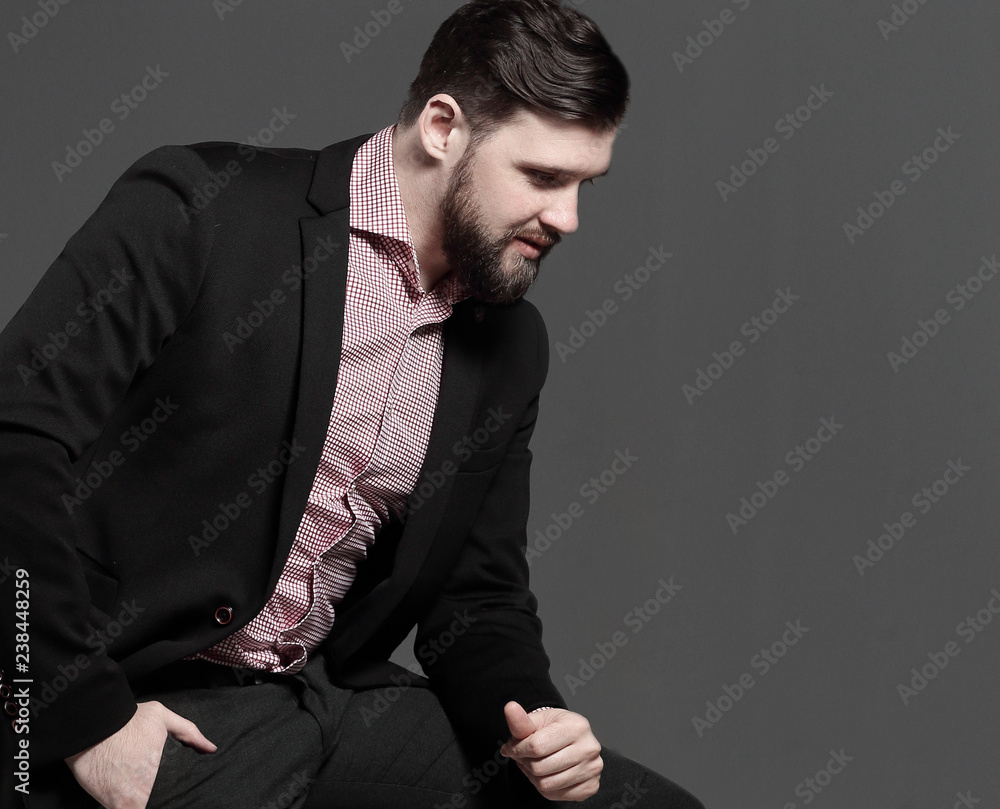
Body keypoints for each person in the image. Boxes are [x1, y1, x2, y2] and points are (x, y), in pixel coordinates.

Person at [0, 1, 705, 807]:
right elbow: (13, 441)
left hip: (321, 701)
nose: (568, 217)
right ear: (443, 127)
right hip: (129, 697)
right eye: (544, 177)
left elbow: (476, 603)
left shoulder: (511, 348)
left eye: (585, 184)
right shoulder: (199, 209)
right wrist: (77, 717)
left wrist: (538, 722)